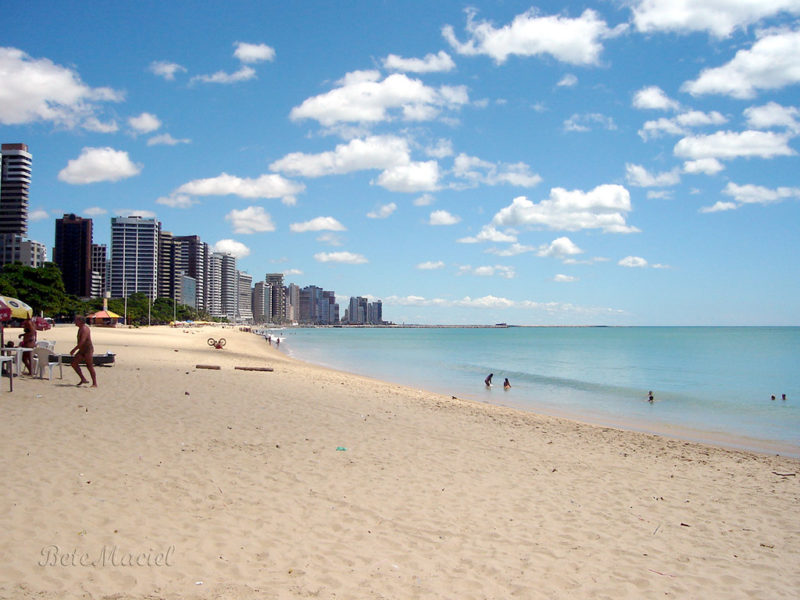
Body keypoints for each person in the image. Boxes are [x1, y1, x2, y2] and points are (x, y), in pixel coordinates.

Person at [70, 315, 97, 387]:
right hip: (82, 350)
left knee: (89, 366)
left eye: (76, 320)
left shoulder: (85, 329)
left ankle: (94, 383)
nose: (75, 322)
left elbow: (82, 341)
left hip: (88, 350)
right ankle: (83, 378)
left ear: (80, 321)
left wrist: (74, 350)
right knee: (74, 364)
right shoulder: (80, 328)